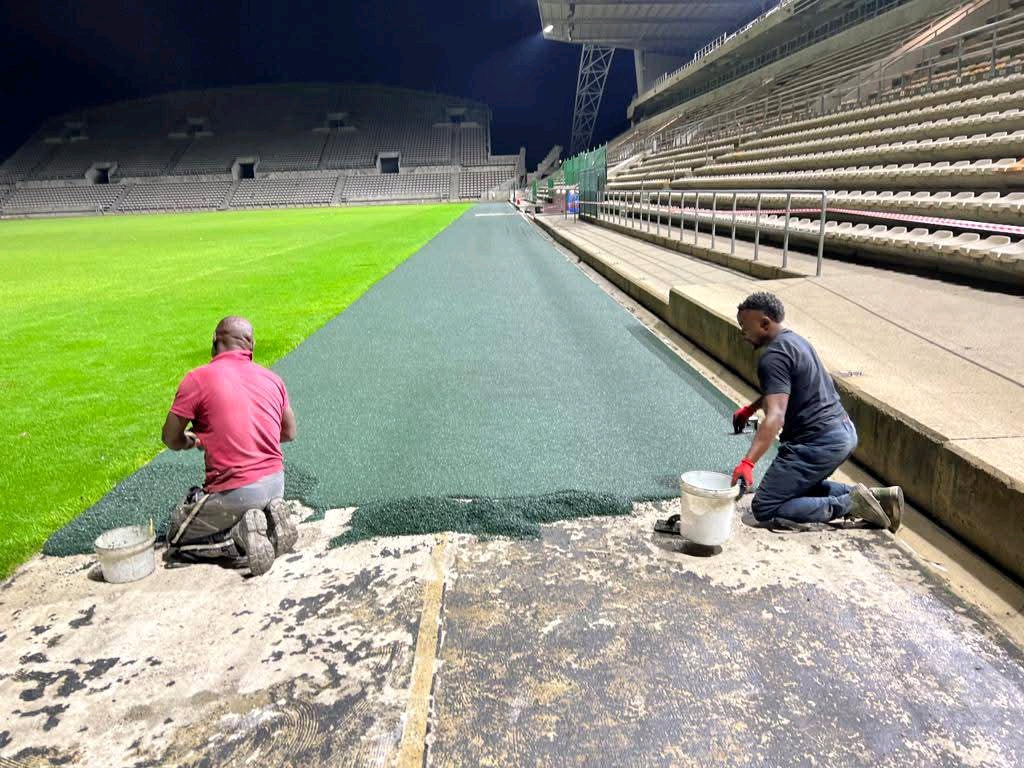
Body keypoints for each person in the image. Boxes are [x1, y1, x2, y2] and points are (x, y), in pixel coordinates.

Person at [730, 292, 903, 532]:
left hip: (817, 442)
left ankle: (850, 504)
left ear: (765, 323)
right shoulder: (796, 341)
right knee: (793, 488)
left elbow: (776, 416)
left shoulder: (772, 357)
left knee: (766, 505)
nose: (742, 334)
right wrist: (751, 408)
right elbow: (784, 389)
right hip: (843, 432)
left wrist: (747, 463)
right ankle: (878, 496)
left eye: (744, 327)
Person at [161, 316, 298, 575]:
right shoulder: (272, 379)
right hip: (276, 482)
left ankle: (236, 538)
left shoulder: (197, 379)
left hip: (235, 491)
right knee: (252, 504)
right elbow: (289, 433)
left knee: (177, 538)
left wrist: (189, 441)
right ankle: (270, 520)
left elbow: (170, 438)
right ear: (251, 345)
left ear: (214, 340)